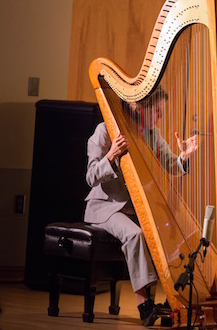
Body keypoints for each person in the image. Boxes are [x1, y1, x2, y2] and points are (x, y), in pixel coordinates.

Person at [84, 88, 198, 326]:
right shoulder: (105, 131)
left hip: (136, 208)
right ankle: (144, 304)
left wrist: (184, 157)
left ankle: (172, 304)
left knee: (171, 235)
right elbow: (91, 176)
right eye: (156, 111)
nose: (160, 117)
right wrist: (112, 156)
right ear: (139, 108)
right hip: (105, 208)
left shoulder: (152, 135)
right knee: (136, 234)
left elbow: (171, 164)